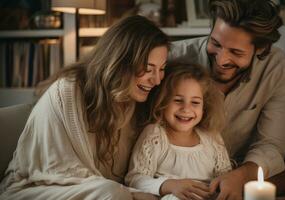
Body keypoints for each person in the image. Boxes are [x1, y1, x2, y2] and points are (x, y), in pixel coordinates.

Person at [0, 15, 169, 200]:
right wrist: (133, 194)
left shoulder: (137, 102)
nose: (157, 79)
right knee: (110, 193)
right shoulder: (68, 91)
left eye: (161, 68)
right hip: (38, 187)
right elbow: (61, 171)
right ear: (120, 61)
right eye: (148, 68)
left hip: (103, 189)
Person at [168, 0, 285, 199]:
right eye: (215, 44)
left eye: (236, 52)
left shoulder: (278, 68)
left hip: (242, 168)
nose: (221, 60)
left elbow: (271, 143)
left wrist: (241, 176)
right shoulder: (174, 57)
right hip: (181, 173)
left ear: (261, 49)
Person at [125, 63, 232, 200]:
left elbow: (225, 175)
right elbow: (135, 179)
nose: (186, 109)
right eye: (177, 100)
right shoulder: (155, 135)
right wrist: (168, 185)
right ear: (162, 101)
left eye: (195, 102)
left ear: (204, 106)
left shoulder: (211, 137)